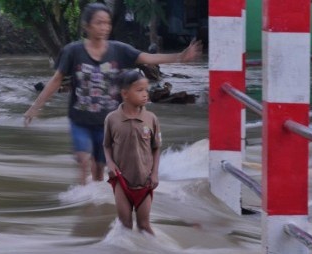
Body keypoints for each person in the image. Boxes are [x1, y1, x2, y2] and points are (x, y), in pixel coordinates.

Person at [23, 2, 202, 185]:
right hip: (80, 121)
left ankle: (95, 202)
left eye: (107, 23)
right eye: (99, 23)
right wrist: (34, 107)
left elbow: (147, 58)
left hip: (109, 123)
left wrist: (179, 57)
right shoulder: (73, 51)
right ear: (86, 26)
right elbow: (56, 80)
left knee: (100, 169)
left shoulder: (118, 50)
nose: (104, 27)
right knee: (83, 160)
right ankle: (83, 197)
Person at [104, 70, 160, 235]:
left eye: (146, 90)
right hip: (121, 180)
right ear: (125, 94)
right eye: (140, 90)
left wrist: (155, 173)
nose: (145, 94)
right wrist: (110, 163)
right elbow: (106, 145)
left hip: (145, 180)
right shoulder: (112, 119)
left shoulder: (151, 118)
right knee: (125, 225)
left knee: (144, 226)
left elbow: (156, 147)